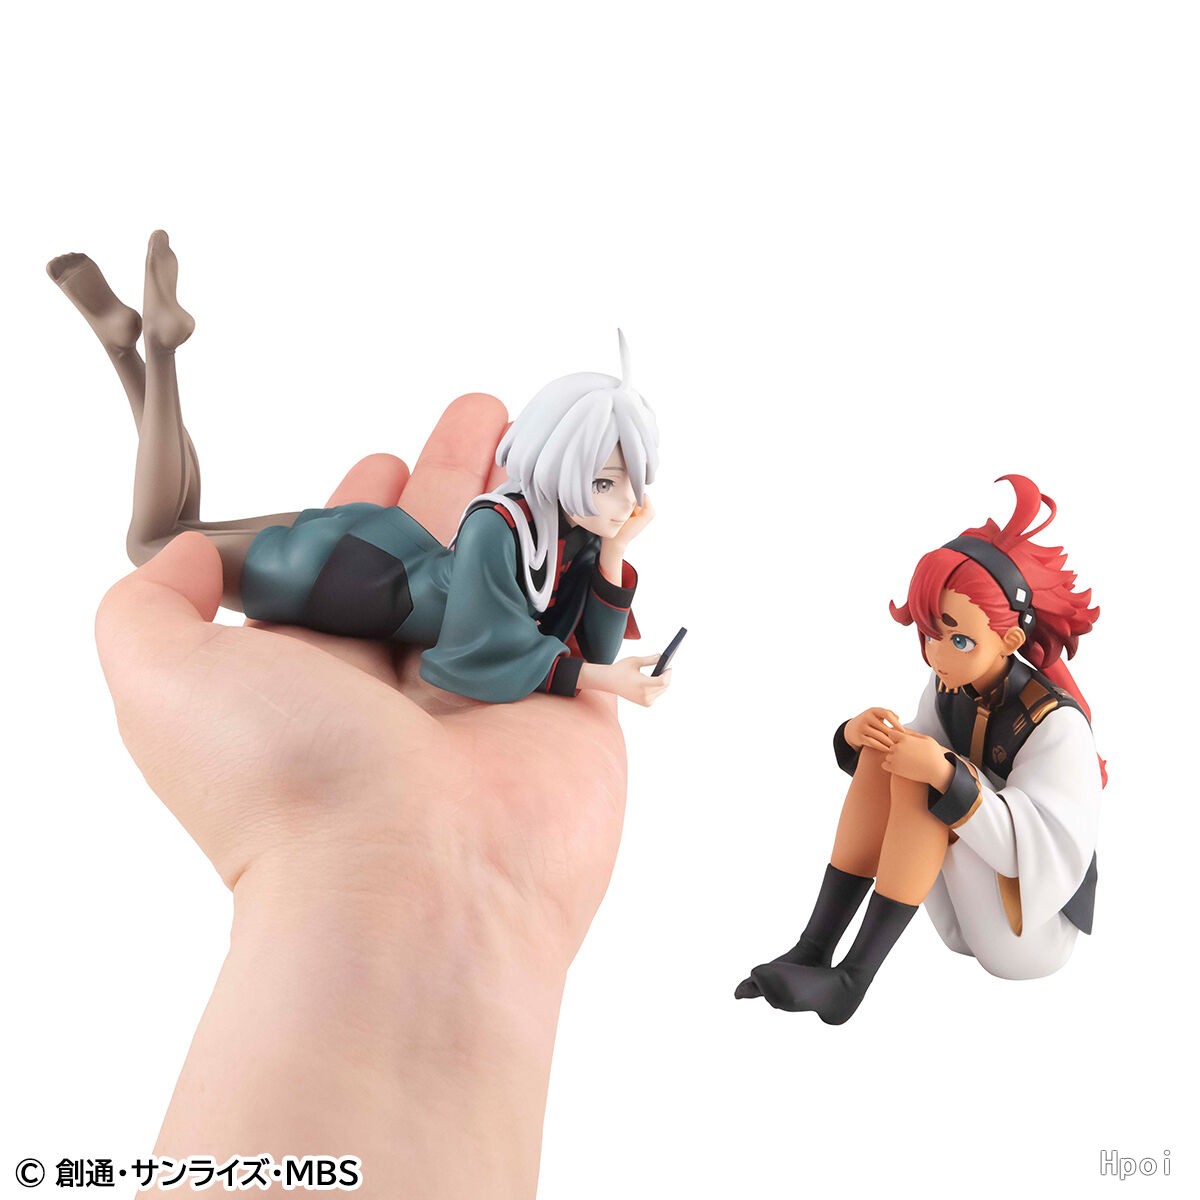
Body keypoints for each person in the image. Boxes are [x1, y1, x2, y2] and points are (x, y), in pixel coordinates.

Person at [48, 231, 670, 706]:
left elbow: (593, 642)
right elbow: (482, 651)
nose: (625, 501)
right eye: (604, 482)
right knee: (153, 542)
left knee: (182, 529)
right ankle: (153, 351)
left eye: (628, 481)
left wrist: (616, 550)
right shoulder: (500, 525)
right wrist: (602, 682)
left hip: (376, 553)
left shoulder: (569, 530)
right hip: (338, 580)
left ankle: (127, 347)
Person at [736, 475, 1103, 1024]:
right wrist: (857, 736)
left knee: (925, 769)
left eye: (959, 639)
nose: (937, 655)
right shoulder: (951, 685)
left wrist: (945, 774)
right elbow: (915, 750)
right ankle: (814, 948)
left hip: (1029, 929)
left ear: (1009, 640)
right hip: (964, 918)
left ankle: (854, 978)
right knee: (894, 754)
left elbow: (1034, 853)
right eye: (930, 633)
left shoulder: (1057, 725)